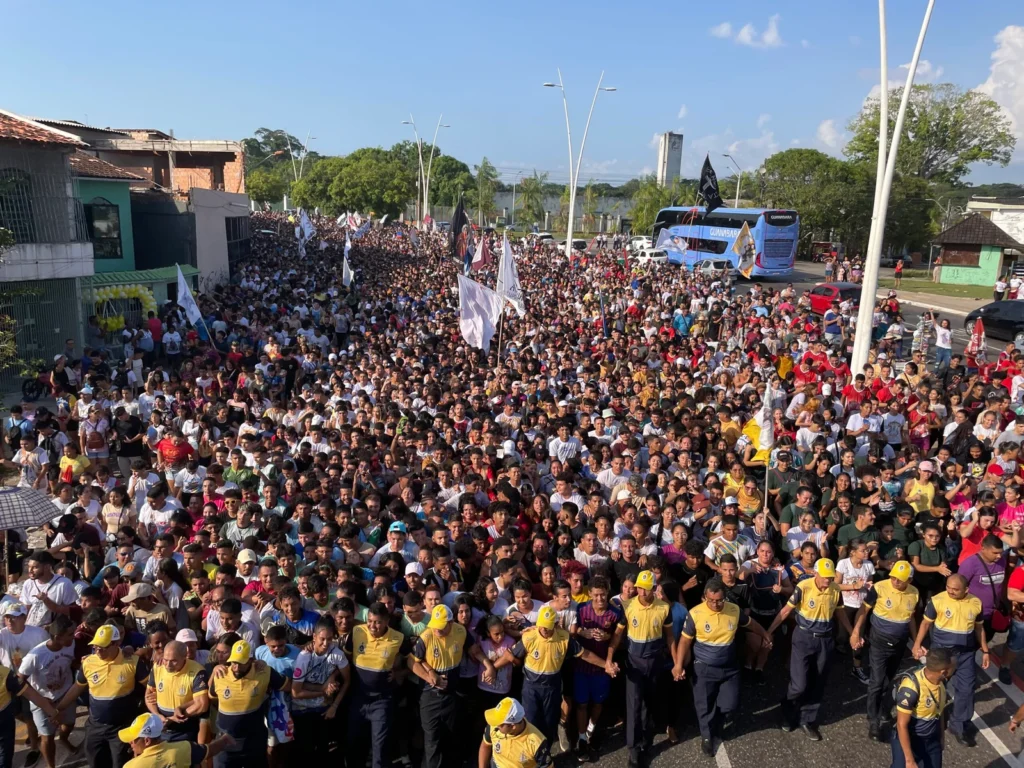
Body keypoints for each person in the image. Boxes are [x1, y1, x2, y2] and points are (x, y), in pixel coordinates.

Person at [674, 578, 771, 756]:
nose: (716, 604)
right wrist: (679, 664)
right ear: (705, 598)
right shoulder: (695, 614)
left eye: (719, 600)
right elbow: (684, 642)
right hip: (704, 668)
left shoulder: (734, 610)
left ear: (724, 598)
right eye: (711, 600)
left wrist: (765, 634)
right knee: (704, 705)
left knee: (730, 704)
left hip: (730, 668)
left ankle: (716, 722)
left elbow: (750, 623)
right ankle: (706, 737)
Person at [497, 605, 615, 746]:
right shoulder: (529, 637)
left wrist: (606, 665)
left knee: (549, 723)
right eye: (542, 626)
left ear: (556, 624)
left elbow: (585, 654)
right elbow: (509, 655)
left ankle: (545, 755)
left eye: (548, 626)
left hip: (551, 687)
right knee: (530, 721)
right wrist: (492, 668)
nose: (544, 629)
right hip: (531, 688)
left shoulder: (564, 638)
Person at [767, 558, 854, 740]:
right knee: (799, 684)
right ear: (815, 573)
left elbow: (839, 612)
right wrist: (768, 632)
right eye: (824, 577)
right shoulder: (803, 587)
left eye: (830, 577)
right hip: (804, 638)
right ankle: (788, 712)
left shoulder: (835, 590)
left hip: (825, 641)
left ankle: (807, 720)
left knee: (818, 682)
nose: (827, 581)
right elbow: (785, 611)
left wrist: (852, 633)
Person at [54, 624, 150, 768]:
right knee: (95, 761)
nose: (98, 650)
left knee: (120, 763)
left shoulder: (132, 663)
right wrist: (59, 708)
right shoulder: (88, 663)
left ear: (116, 643)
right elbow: (78, 687)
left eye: (103, 647)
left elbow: (150, 687)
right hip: (95, 727)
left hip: (122, 727)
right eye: (96, 646)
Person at [912, 574, 989, 747]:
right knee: (933, 686)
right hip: (941, 652)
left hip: (965, 654)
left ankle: (958, 725)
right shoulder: (937, 600)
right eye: (948, 587)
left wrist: (985, 650)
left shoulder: (976, 603)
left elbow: (979, 629)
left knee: (967, 689)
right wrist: (917, 644)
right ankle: (926, 719)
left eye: (955, 589)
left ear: (966, 590)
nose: (950, 591)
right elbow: (925, 624)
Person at [409, 605, 489, 768]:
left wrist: (488, 665)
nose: (436, 629)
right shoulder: (426, 637)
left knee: (452, 737)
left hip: (452, 694)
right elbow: (412, 662)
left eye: (441, 626)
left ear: (451, 622)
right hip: (430, 696)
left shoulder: (460, 631)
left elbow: (473, 649)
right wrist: (431, 676)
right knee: (432, 741)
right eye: (435, 625)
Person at [849, 560, 919, 742]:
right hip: (879, 642)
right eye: (893, 577)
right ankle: (873, 721)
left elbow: (911, 618)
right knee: (877, 681)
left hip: (899, 644)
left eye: (900, 579)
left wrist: (916, 641)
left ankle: (882, 708)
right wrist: (856, 631)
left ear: (909, 580)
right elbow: (864, 610)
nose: (895, 581)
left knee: (889, 680)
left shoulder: (914, 593)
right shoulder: (879, 588)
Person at [617, 570, 672, 768]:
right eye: (639, 587)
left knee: (649, 702)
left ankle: (645, 741)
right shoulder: (628, 606)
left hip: (655, 661)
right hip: (634, 662)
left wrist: (677, 663)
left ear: (654, 589)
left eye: (645, 589)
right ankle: (633, 749)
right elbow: (618, 634)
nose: (641, 592)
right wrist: (608, 657)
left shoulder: (664, 608)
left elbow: (670, 637)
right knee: (634, 704)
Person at [207, 640, 291, 768]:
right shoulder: (220, 675)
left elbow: (289, 686)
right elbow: (212, 697)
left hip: (254, 742)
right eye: (234, 662)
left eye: (241, 663)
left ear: (251, 660)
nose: (236, 667)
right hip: (225, 743)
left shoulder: (264, 672)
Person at [347, 601, 411, 768]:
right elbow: (345, 660)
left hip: (382, 701)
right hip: (358, 699)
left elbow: (413, 662)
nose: (372, 626)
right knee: (355, 743)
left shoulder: (398, 638)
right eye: (370, 621)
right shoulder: (356, 632)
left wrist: (400, 673)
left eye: (377, 622)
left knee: (380, 747)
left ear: (386, 621)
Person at [17, 615, 78, 768]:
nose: (74, 636)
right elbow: (20, 680)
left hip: (66, 694)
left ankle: (63, 738)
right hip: (43, 701)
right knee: (47, 737)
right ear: (57, 637)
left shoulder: (71, 644)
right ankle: (51, 766)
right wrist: (42, 701)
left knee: (69, 723)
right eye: (70, 634)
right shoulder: (35, 656)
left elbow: (72, 661)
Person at [892, 648, 955, 768]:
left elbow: (939, 711)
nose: (955, 668)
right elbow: (901, 725)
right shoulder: (911, 688)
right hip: (910, 740)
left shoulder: (941, 682)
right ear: (943, 672)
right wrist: (909, 761)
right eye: (953, 667)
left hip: (932, 739)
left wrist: (941, 736)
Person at [116, 712, 234, 768]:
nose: (130, 742)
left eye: (133, 740)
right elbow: (210, 750)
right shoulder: (184, 748)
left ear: (147, 740)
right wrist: (224, 739)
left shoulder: (131, 766)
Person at [145, 640, 209, 742]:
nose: (168, 665)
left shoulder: (197, 671)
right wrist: (158, 715)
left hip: (185, 730)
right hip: (161, 729)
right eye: (165, 660)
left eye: (173, 661)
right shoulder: (157, 667)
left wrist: (178, 716)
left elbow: (201, 704)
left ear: (185, 656)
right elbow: (148, 696)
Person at [478, 696, 552, 768]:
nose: (496, 725)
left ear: (513, 726)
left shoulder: (536, 743)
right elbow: (485, 746)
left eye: (500, 724)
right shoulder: (494, 725)